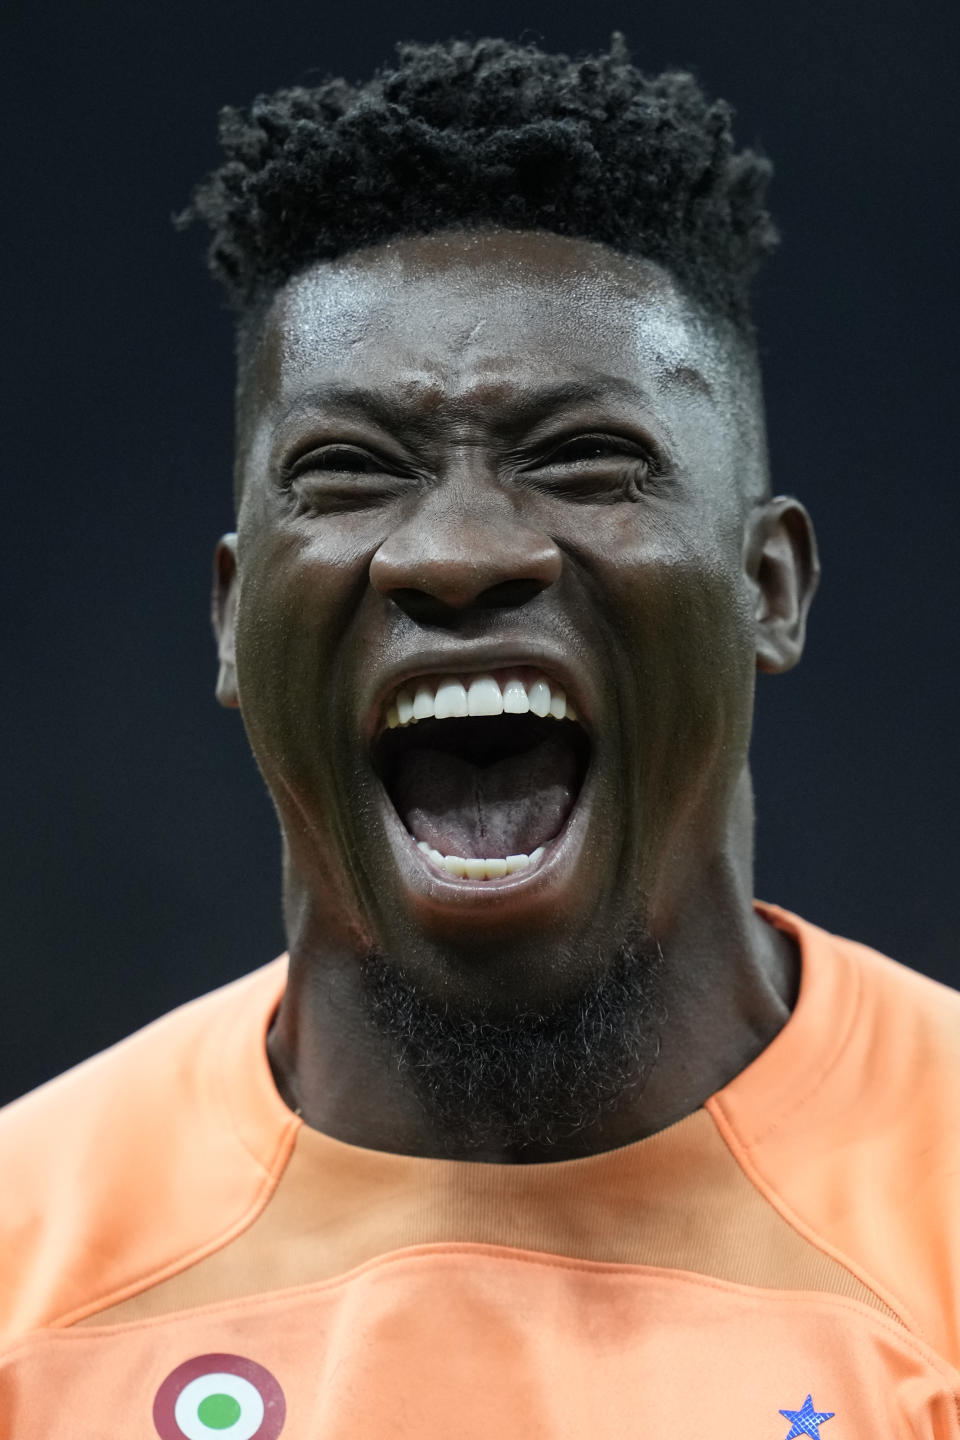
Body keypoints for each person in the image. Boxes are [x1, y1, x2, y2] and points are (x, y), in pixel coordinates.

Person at [1, 31, 957, 1439]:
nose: (456, 552)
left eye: (583, 458)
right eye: (348, 472)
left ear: (771, 585)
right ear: (230, 617)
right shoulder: (29, 1270)